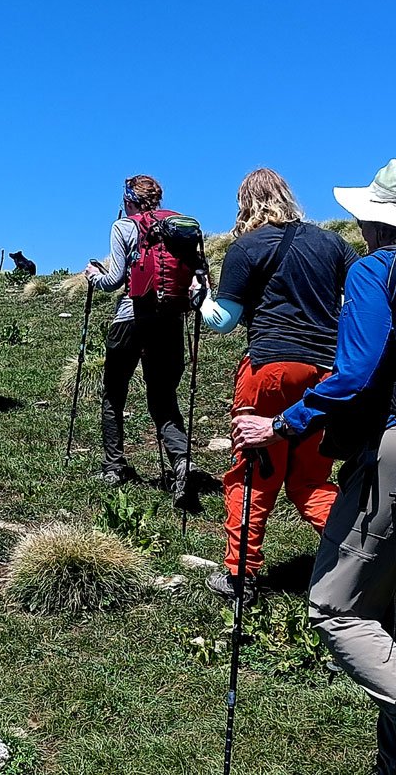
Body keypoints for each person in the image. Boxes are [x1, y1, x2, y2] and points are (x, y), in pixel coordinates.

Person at [229, 160, 396, 775]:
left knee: (335, 608)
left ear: (380, 219)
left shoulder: (380, 269)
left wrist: (280, 424)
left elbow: (354, 375)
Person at [200, 168, 359, 601]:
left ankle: (240, 576)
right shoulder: (332, 243)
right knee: (312, 482)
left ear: (244, 203)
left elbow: (224, 321)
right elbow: (356, 301)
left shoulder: (246, 248)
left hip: (268, 371)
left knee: (253, 477)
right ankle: (364, 561)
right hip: (326, 374)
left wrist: (201, 297)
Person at [84, 175, 198, 508]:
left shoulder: (123, 227)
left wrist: (93, 275)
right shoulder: (180, 226)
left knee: (114, 392)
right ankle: (181, 460)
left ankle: (114, 465)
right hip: (170, 318)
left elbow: (114, 279)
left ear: (129, 198)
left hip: (130, 317)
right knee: (163, 396)